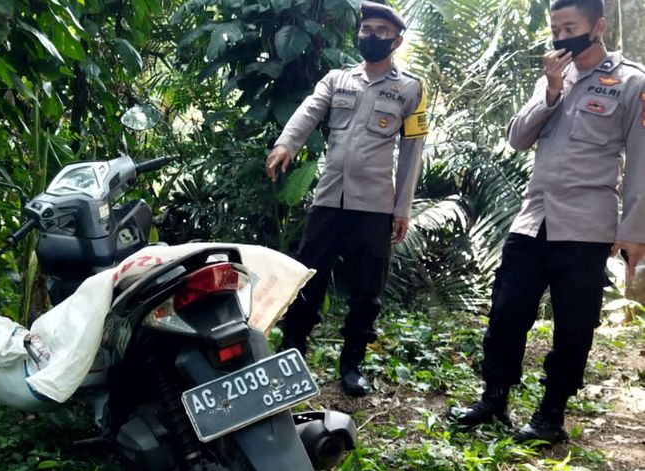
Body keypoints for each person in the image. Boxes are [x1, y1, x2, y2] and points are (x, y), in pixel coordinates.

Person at [448, 0, 645, 443]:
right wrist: (551, 91)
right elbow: (518, 138)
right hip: (532, 220)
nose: (559, 36)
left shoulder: (632, 82)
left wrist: (634, 232)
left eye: (569, 26)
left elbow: (642, 163)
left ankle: (551, 414)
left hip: (586, 227)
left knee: (574, 325)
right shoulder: (555, 76)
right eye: (555, 27)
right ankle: (494, 398)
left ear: (598, 26)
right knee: (505, 312)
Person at [265, 1, 428, 396]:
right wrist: (286, 143)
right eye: (366, 30)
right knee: (308, 283)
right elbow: (309, 111)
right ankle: (291, 358)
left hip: (374, 207)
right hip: (328, 202)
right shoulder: (337, 79)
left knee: (366, 292)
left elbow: (412, 151)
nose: (371, 37)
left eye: (381, 32)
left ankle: (352, 366)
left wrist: (402, 208)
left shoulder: (410, 88)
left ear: (397, 40)